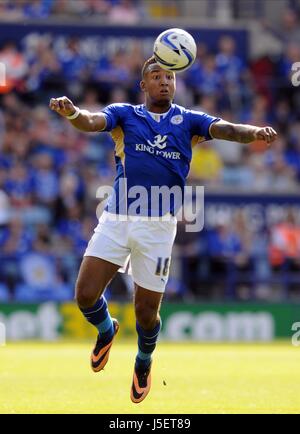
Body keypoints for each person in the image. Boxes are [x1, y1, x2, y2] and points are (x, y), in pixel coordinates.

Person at [49, 56, 277, 404]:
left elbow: (228, 129)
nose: (164, 81)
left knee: (146, 312)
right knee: (84, 295)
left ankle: (143, 362)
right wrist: (73, 114)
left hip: (158, 229)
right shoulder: (125, 114)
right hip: (117, 218)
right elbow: (93, 122)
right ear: (144, 85)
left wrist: (255, 132)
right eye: (156, 76)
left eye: (169, 76)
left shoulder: (189, 121)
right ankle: (107, 329)